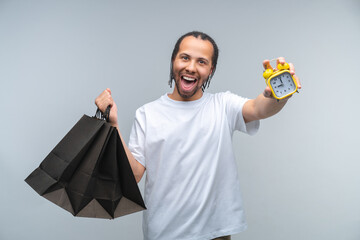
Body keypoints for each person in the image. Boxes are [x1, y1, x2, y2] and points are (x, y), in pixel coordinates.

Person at [95, 31, 301, 240]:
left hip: (215, 234)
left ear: (210, 70)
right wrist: (113, 125)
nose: (191, 67)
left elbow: (259, 108)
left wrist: (279, 94)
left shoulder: (223, 105)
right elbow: (134, 174)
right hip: (163, 233)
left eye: (201, 62)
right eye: (185, 57)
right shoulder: (147, 113)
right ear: (173, 60)